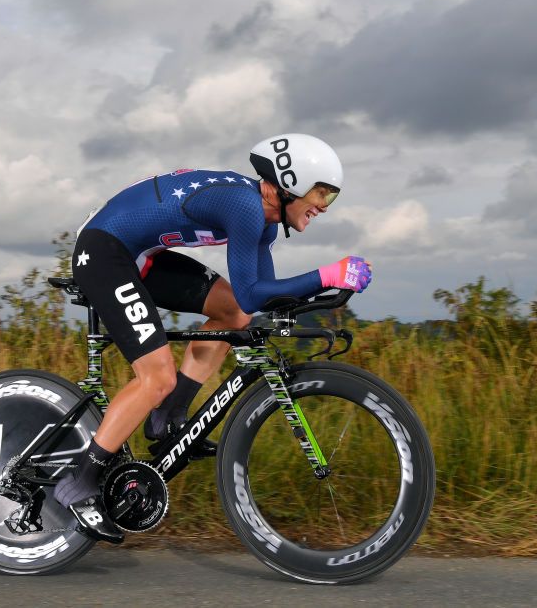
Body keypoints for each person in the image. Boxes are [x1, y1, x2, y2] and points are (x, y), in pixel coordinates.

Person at [54, 133, 373, 542]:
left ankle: (167, 418)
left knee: (234, 314)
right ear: (291, 182)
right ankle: (80, 482)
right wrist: (327, 275)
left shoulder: (265, 224)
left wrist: (322, 295)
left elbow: (258, 300)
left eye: (331, 198)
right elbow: (252, 291)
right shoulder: (244, 206)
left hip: (140, 257)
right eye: (321, 194)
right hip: (105, 252)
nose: (323, 207)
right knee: (157, 377)